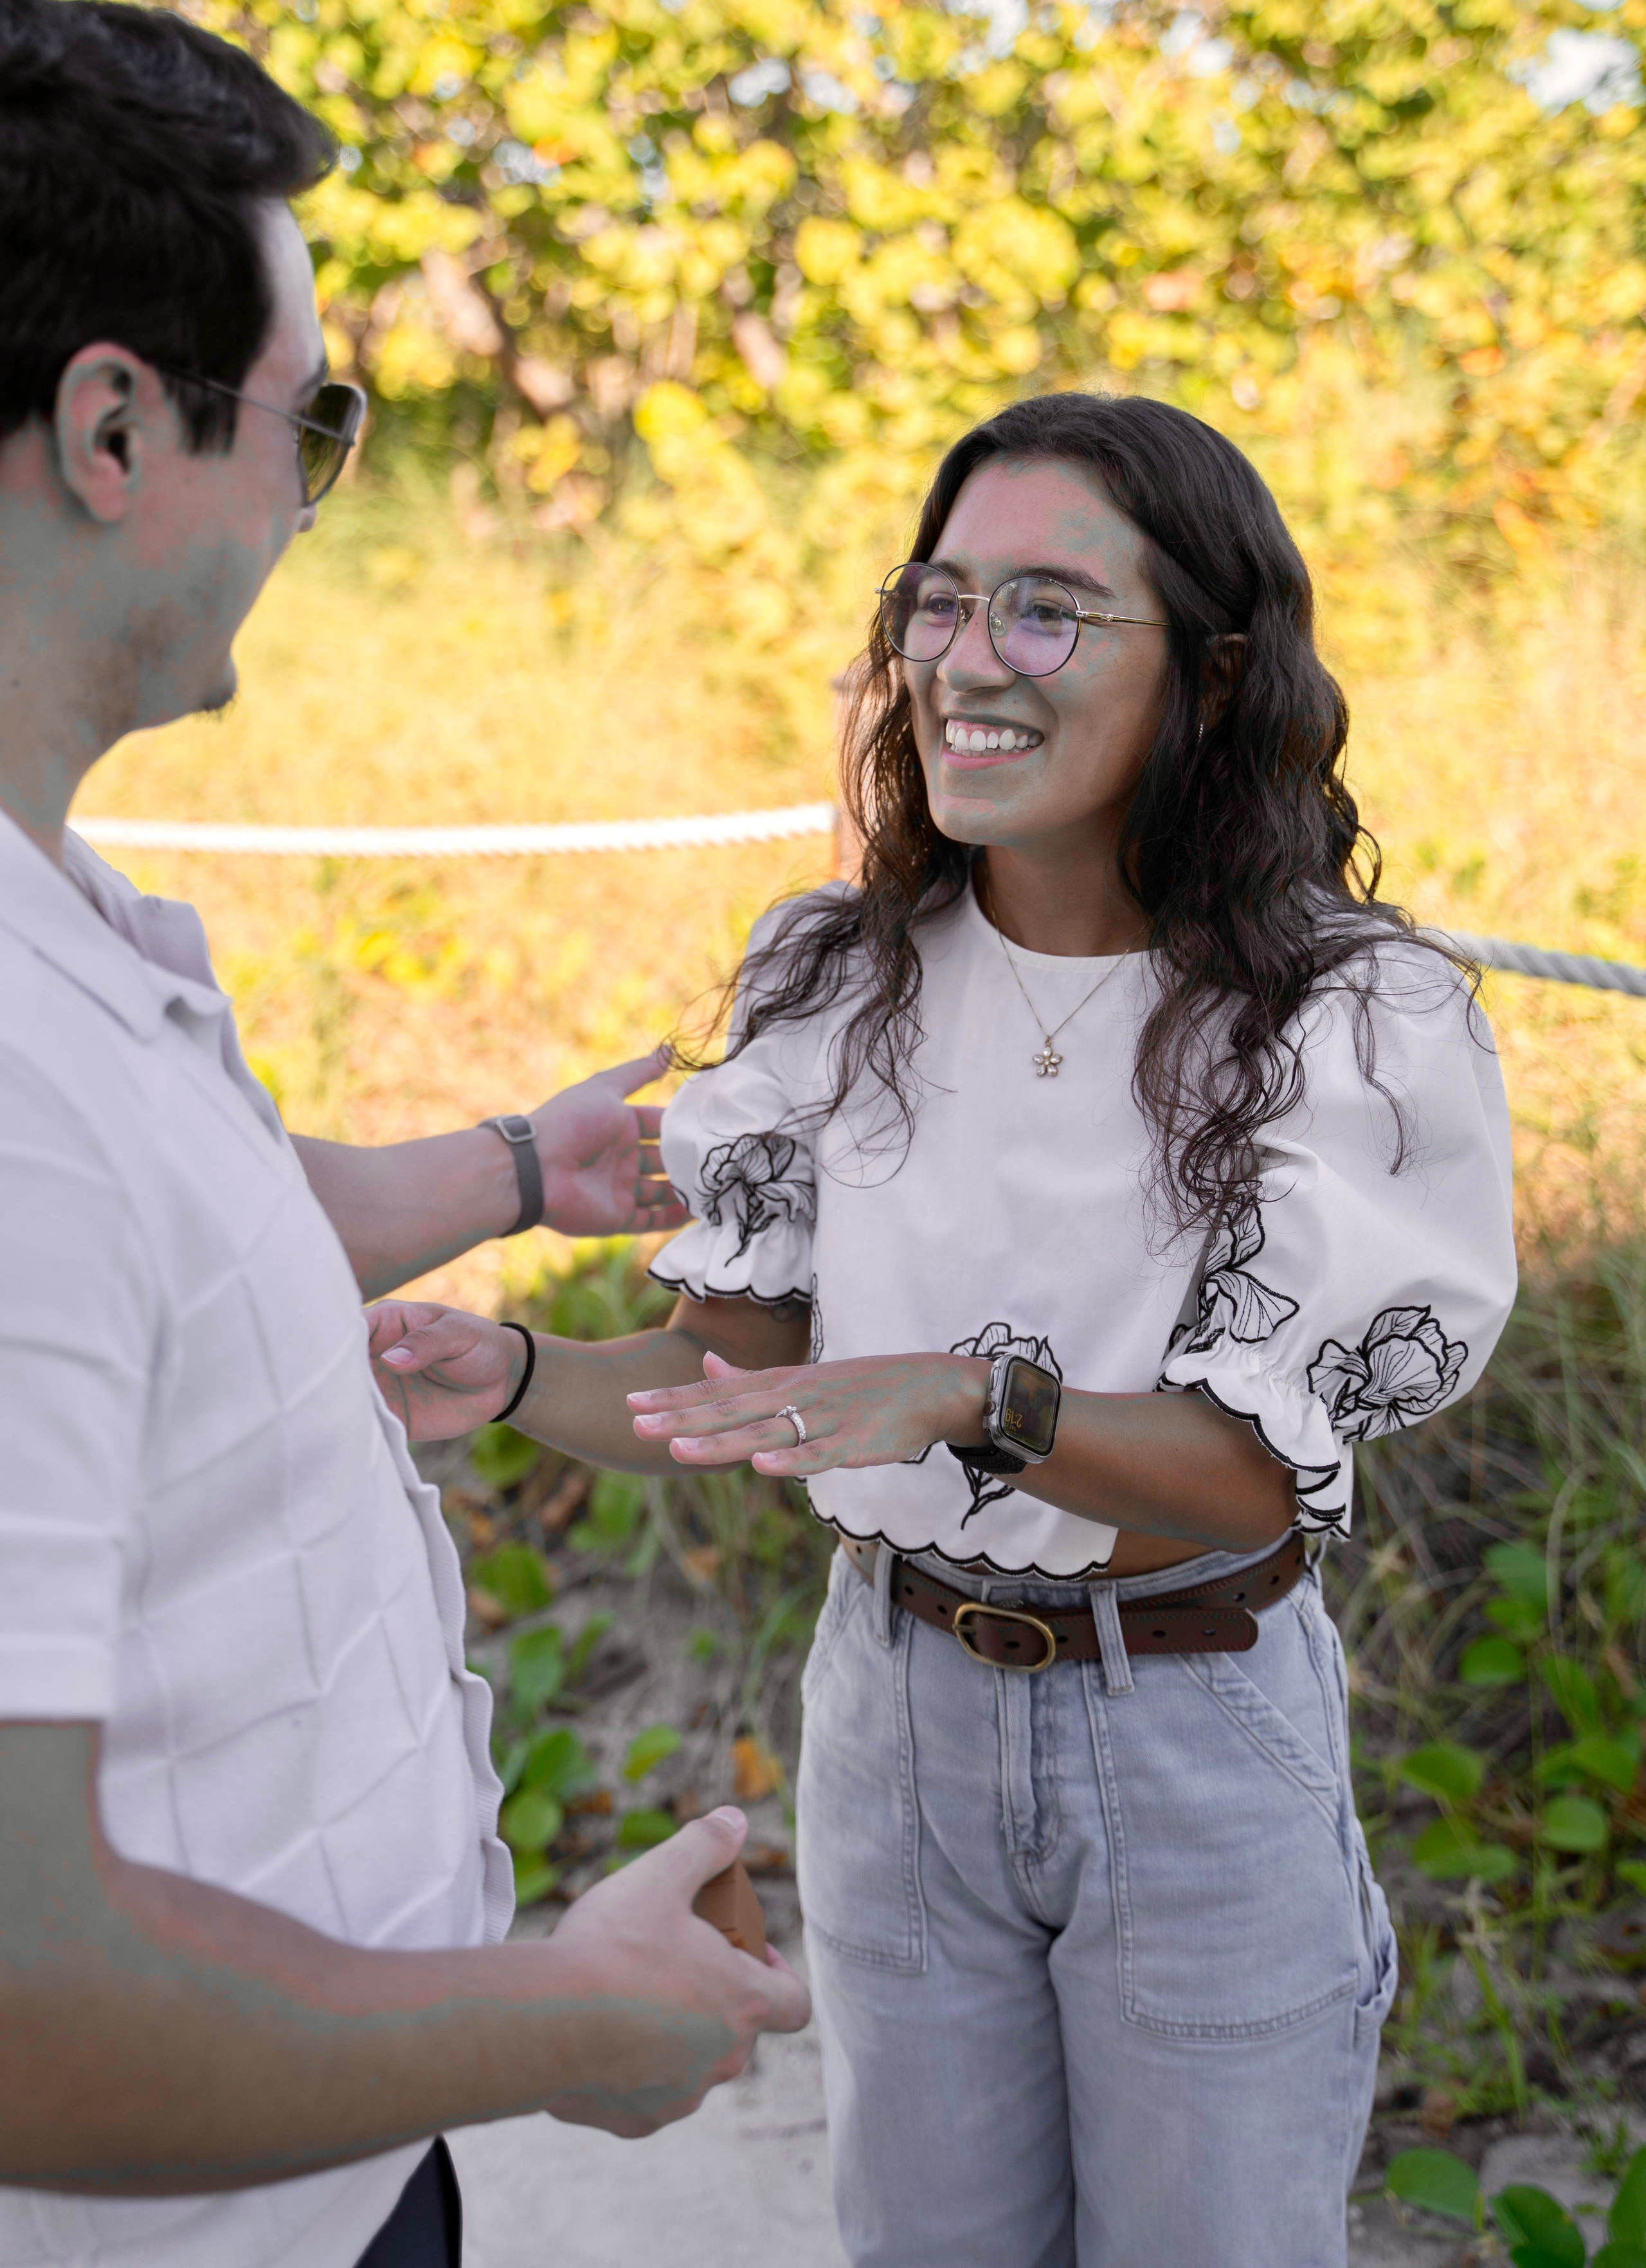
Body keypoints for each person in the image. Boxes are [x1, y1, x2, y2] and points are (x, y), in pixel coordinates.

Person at [370, 391, 1518, 2267]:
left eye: (1050, 609)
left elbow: (1237, 1484)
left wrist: (974, 1400)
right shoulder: (834, 979)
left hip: (1194, 1732)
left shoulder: (1355, 1028)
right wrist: (504, 1372)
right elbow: (725, 1393)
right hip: (897, 1719)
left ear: (1217, 677)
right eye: (939, 601)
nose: (968, 663)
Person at [0, 0, 807, 2268]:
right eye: (312, 418)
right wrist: (560, 2021)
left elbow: (193, 1237)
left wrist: (512, 1175)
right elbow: (26, 2003)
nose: (315, 492)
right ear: (113, 430)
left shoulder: (68, 928)